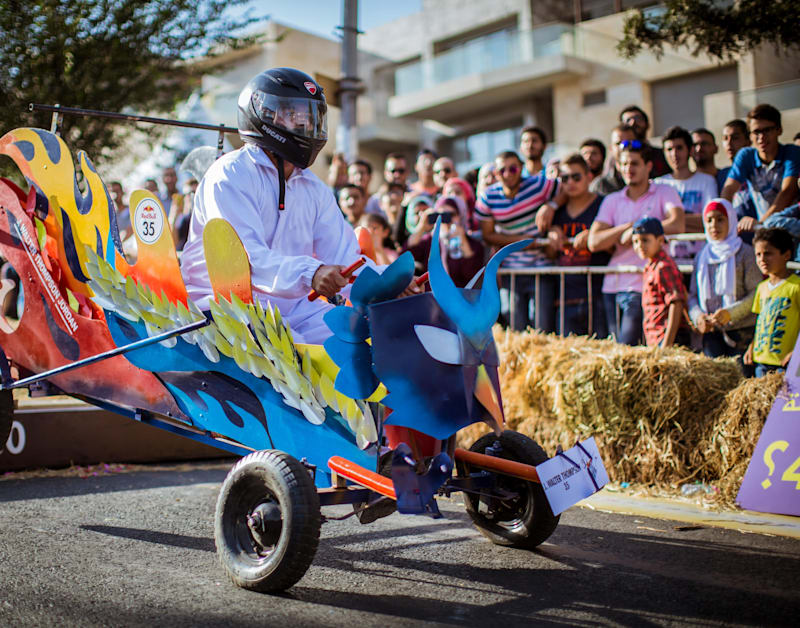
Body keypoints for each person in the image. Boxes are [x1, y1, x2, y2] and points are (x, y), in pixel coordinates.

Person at [180, 67, 416, 345]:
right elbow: (244, 260)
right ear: (263, 114)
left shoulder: (315, 189)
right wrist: (311, 273)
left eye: (312, 115)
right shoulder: (230, 174)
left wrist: (390, 283)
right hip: (226, 306)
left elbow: (345, 260)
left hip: (296, 310)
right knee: (301, 364)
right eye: (294, 114)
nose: (306, 123)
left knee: (361, 344)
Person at [588, 141, 685, 345]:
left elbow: (677, 224)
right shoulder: (612, 200)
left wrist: (635, 230)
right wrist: (627, 228)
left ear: (648, 166)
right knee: (619, 352)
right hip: (612, 286)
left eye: (634, 164)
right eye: (623, 164)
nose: (628, 169)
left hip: (646, 286)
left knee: (630, 349)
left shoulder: (665, 191)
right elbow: (594, 241)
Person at [476, 150, 562, 333]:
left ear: (521, 168)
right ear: (496, 173)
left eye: (513, 169)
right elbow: (487, 235)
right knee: (516, 329)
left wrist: (550, 206)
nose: (507, 174)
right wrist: (520, 242)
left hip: (541, 268)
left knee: (542, 328)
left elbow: (564, 191)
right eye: (502, 170)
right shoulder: (488, 196)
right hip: (511, 272)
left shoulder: (538, 184)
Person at [688, 199, 760, 362]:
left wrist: (730, 313)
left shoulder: (745, 253)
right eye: (709, 220)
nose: (714, 225)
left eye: (720, 219)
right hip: (711, 334)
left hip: (742, 334)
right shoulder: (702, 256)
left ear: (731, 220)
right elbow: (692, 296)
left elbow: (756, 293)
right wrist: (699, 317)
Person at [548, 154, 610, 337]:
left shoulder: (603, 204)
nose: (570, 183)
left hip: (597, 296)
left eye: (576, 177)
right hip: (565, 297)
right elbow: (550, 254)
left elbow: (615, 246)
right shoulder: (557, 213)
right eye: (565, 178)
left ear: (589, 177)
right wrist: (551, 236)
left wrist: (595, 237)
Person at [721, 104, 800, 231]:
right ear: (750, 136)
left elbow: (788, 192)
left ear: (779, 130)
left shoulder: (793, 153)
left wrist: (761, 224)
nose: (761, 137)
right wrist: (723, 223)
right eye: (756, 132)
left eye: (767, 130)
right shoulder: (746, 155)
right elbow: (728, 190)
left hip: (792, 231)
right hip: (766, 235)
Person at [744, 227, 800, 376]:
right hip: (761, 362)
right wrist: (752, 346)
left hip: (787, 364)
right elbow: (759, 322)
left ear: (786, 254)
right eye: (758, 254)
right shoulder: (761, 288)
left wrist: (796, 352)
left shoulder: (796, 286)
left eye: (768, 253)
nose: (762, 259)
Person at [656, 126, 717, 262]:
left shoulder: (706, 181)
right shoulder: (657, 184)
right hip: (667, 262)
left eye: (679, 148)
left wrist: (671, 223)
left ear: (690, 150)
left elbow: (710, 221)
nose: (674, 154)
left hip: (701, 259)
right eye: (669, 149)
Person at [631, 216, 689, 348]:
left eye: (645, 240)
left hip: (667, 338)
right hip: (656, 337)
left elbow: (676, 303)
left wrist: (667, 344)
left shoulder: (664, 267)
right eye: (635, 241)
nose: (640, 246)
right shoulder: (650, 266)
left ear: (660, 240)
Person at [404, 196, 484, 287]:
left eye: (451, 214)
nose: (446, 219)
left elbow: (472, 274)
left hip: (461, 296)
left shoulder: (473, 244)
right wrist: (422, 226)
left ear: (461, 215)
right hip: (431, 297)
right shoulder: (429, 241)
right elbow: (407, 254)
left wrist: (463, 241)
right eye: (441, 215)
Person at [619, 105, 671, 178]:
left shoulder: (662, 155)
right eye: (628, 120)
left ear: (647, 124)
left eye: (638, 118)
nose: (633, 122)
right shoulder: (616, 158)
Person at [590, 124, 637, 196]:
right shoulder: (600, 185)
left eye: (628, 143)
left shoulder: (651, 179)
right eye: (618, 143)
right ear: (611, 148)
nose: (623, 147)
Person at [691, 128, 726, 193]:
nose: (699, 149)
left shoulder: (728, 178)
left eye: (704, 144)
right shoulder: (686, 182)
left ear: (716, 149)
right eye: (694, 145)